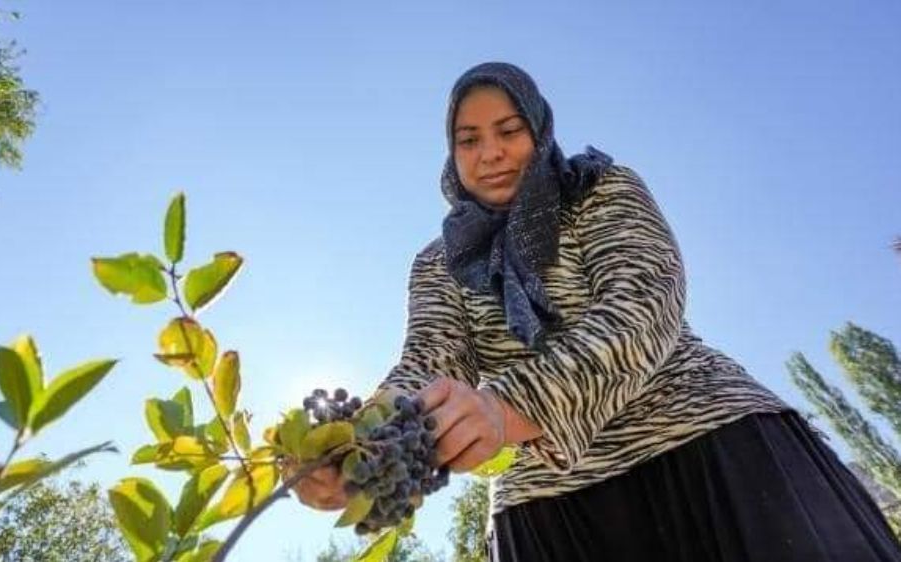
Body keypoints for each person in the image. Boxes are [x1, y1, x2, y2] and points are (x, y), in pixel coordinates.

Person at [290, 62, 901, 561]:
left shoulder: (598, 192)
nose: (492, 153)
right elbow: (427, 360)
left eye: (509, 130)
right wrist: (358, 445)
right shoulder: (437, 263)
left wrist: (511, 407)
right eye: (469, 139)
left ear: (539, 129)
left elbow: (643, 303)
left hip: (705, 443)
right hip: (551, 505)